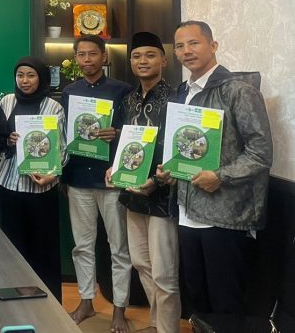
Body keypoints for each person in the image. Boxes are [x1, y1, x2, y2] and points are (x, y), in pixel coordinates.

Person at [157, 21, 272, 318]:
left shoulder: (239, 91)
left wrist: (220, 177)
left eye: (194, 43)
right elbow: (186, 148)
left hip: (224, 217)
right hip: (186, 212)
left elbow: (260, 153)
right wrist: (171, 171)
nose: (186, 51)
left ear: (213, 45)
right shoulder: (183, 92)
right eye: (180, 46)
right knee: (198, 299)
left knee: (226, 302)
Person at [105, 32, 179, 333]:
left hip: (162, 195)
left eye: (150, 55)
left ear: (164, 60)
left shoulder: (177, 98)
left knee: (164, 272)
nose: (143, 61)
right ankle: (156, 323)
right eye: (137, 56)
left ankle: (168, 329)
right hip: (132, 193)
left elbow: (180, 150)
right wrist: (114, 168)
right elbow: (125, 142)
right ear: (130, 62)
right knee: (140, 262)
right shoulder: (129, 100)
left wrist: (155, 180)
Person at [61, 34, 133, 331]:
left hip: (111, 178)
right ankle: (86, 302)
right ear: (76, 58)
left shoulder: (122, 90)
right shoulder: (69, 91)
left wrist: (117, 133)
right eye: (82, 54)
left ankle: (119, 309)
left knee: (119, 248)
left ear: (104, 57)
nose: (87, 59)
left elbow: (134, 130)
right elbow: (64, 133)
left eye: (93, 54)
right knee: (82, 246)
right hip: (78, 178)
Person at [0, 57, 66, 301]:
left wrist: (52, 175)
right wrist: (8, 140)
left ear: (41, 78)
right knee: (12, 248)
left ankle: (49, 304)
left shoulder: (53, 107)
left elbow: (62, 148)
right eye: (20, 75)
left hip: (41, 189)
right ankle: (14, 300)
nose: (24, 81)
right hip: (9, 184)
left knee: (43, 248)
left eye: (31, 75)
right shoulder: (6, 101)